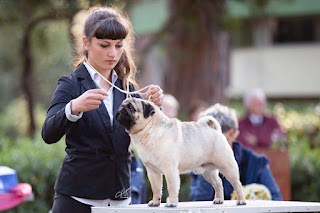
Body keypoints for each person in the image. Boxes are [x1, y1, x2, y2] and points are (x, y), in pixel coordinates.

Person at [41, 6, 163, 213]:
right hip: (76, 198)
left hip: (121, 198)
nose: (113, 53)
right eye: (105, 45)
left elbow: (148, 139)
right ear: (86, 42)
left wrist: (155, 111)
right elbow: (48, 133)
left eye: (118, 45)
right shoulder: (71, 85)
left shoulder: (128, 88)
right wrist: (73, 108)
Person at [189, 103, 282, 201]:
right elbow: (198, 204)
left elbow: (276, 201)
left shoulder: (255, 163)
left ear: (231, 134)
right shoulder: (200, 163)